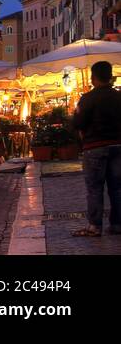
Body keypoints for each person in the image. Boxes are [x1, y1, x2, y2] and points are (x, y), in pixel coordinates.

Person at [72, 60, 121, 238]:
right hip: (117, 146)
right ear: (110, 76)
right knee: (117, 188)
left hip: (94, 147)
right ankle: (117, 224)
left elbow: (78, 123)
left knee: (95, 188)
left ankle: (94, 226)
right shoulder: (118, 97)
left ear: (93, 78)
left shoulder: (88, 99)